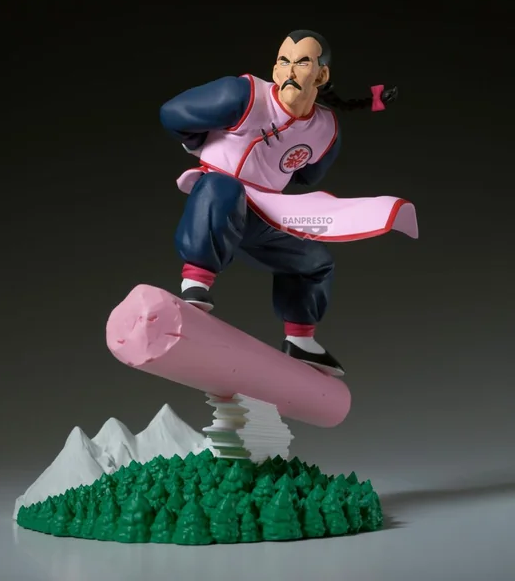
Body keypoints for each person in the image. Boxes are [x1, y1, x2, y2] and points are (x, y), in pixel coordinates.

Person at [159, 29, 416, 377]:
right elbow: (174, 114)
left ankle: (300, 339)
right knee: (224, 188)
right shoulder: (245, 95)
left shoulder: (325, 129)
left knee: (315, 261)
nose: (290, 71)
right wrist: (204, 143)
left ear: (321, 76)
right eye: (284, 61)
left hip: (264, 212)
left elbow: (307, 176)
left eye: (302, 63)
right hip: (219, 197)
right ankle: (196, 283)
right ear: (275, 69)